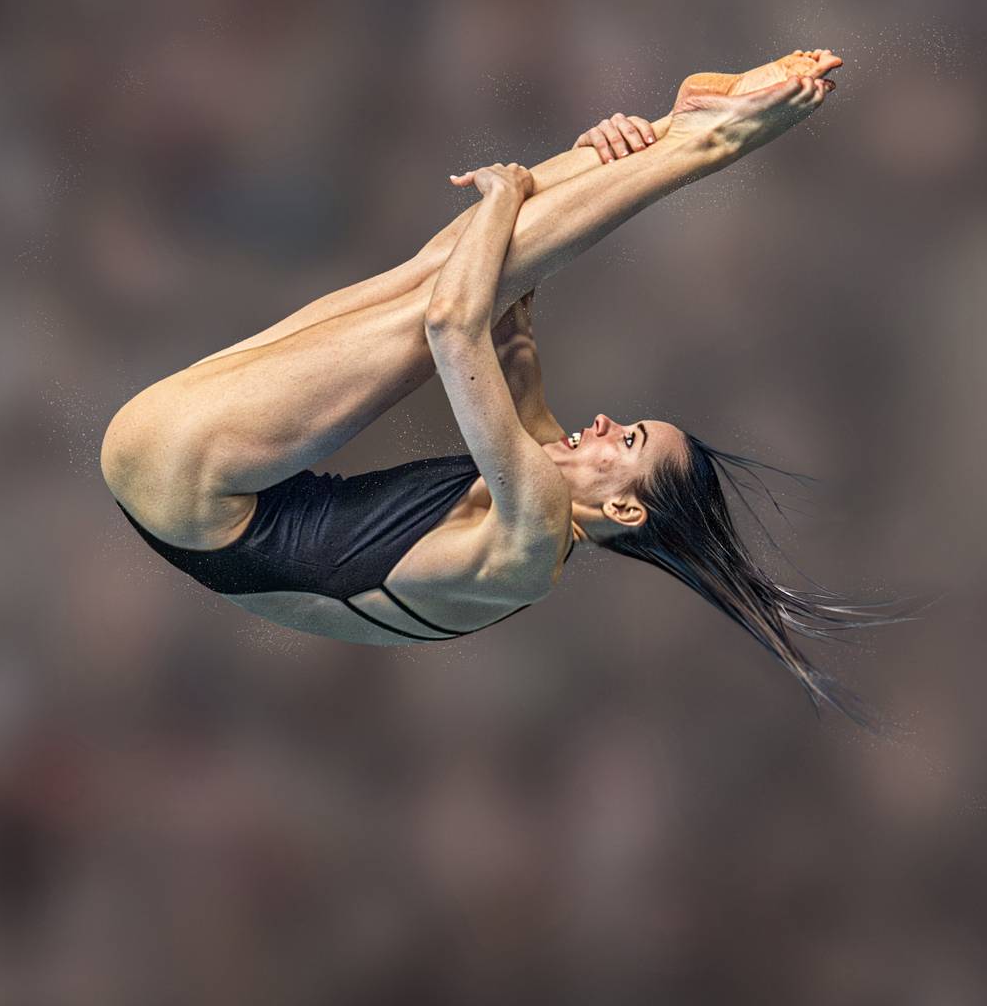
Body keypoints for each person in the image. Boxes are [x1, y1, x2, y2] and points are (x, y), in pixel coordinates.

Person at [101, 49, 908, 722]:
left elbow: (456, 324)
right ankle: (675, 127)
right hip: (182, 485)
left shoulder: (530, 542)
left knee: (443, 286)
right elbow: (510, 314)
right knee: (451, 264)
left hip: (191, 478)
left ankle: (709, 145)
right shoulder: (545, 488)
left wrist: (503, 193)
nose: (603, 423)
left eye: (626, 441)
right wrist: (605, 145)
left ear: (624, 508)